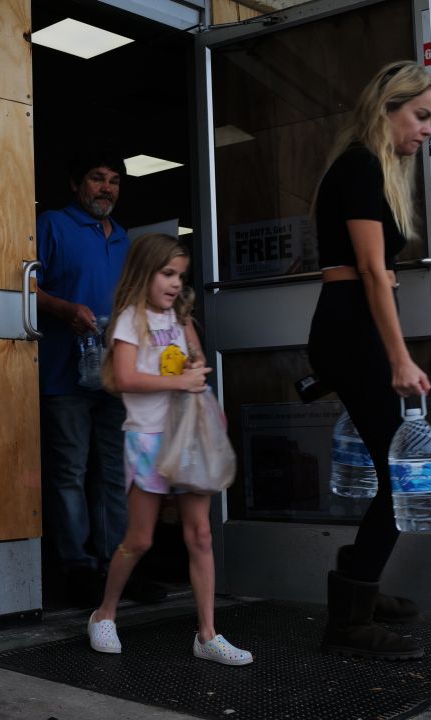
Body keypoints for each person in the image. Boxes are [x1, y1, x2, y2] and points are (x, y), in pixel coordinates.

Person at [306, 60, 431, 661]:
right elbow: (369, 272)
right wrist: (398, 358)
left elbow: (376, 274)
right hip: (351, 330)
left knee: (398, 473)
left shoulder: (372, 171)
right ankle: (349, 622)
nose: (427, 131)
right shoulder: (361, 165)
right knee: (403, 476)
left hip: (351, 327)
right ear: (388, 107)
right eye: (421, 116)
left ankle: (359, 578)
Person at [85, 233, 253, 666]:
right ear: (145, 272)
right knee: (139, 539)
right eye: (167, 274)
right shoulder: (129, 319)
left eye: (180, 276)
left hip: (188, 437)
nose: (176, 283)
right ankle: (104, 614)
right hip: (147, 439)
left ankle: (207, 634)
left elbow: (197, 364)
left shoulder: (181, 320)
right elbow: (124, 379)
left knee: (199, 534)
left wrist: (198, 374)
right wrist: (180, 381)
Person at [36, 151, 156, 606]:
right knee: (69, 471)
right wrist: (65, 310)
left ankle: (118, 565)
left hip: (114, 372)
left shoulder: (124, 238)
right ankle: (79, 569)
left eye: (115, 181)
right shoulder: (53, 225)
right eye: (97, 179)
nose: (107, 188)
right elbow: (27, 284)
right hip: (64, 372)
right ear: (76, 183)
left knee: (115, 470)